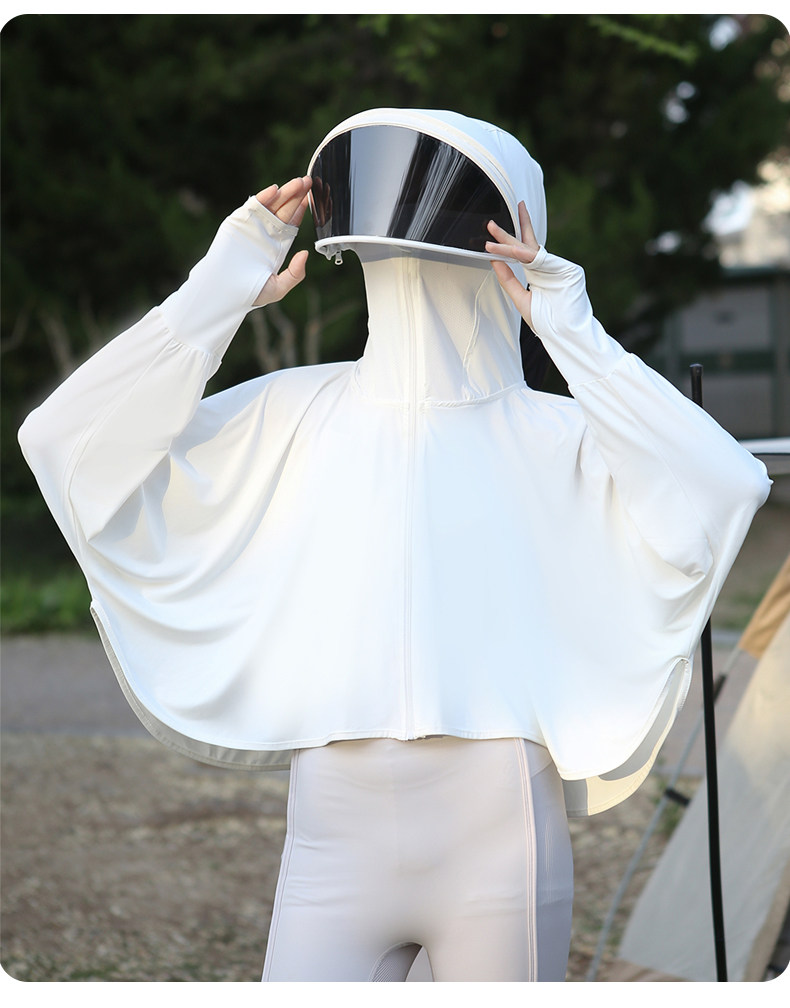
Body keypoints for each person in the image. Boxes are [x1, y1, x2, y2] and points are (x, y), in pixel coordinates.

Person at [18, 109, 771, 982]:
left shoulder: (558, 434)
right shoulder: (291, 414)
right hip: (333, 847)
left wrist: (572, 331)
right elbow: (64, 443)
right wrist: (217, 289)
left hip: (500, 849)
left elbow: (726, 484)